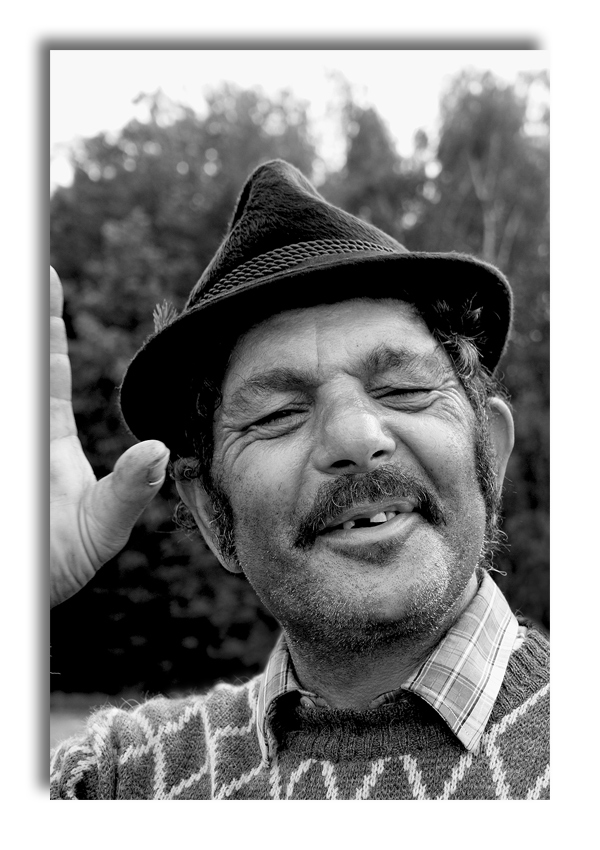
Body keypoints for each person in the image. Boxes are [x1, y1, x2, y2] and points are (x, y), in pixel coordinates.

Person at [50, 159, 549, 800]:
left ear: (491, 455)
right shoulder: (120, 781)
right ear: (212, 517)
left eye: (403, 388)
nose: (357, 439)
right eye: (278, 414)